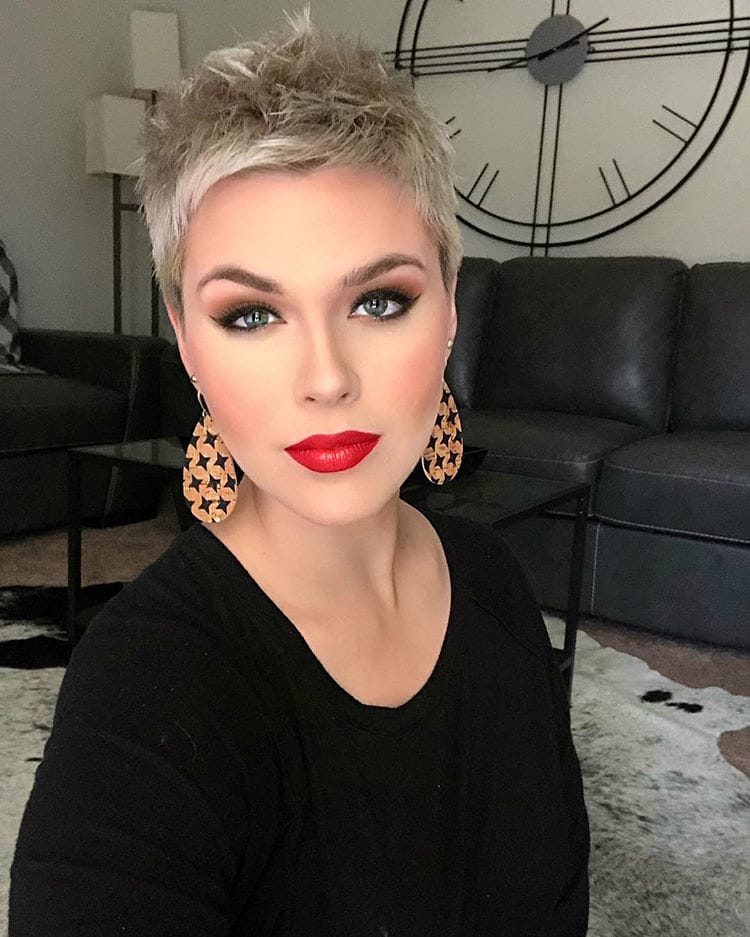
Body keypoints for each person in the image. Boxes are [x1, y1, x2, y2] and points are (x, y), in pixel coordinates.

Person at [8, 8, 589, 936]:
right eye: (251, 315)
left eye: (379, 300)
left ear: (449, 308)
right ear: (185, 342)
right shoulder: (145, 688)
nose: (326, 378)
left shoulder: (494, 582)